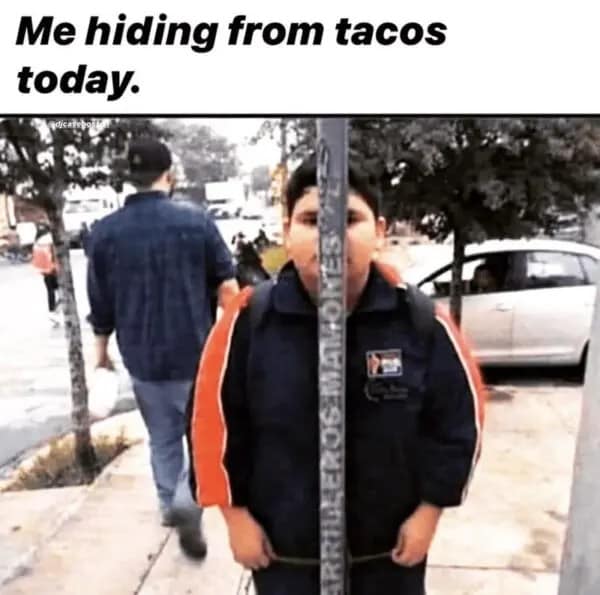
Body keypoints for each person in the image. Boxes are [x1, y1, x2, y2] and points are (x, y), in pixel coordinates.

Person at [188, 157, 486, 594]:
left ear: (379, 232)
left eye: (349, 219)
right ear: (287, 231)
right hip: (284, 557)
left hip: (388, 558)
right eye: (312, 220)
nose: (330, 235)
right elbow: (211, 426)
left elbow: (458, 424)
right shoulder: (249, 323)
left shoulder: (420, 323)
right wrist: (236, 519)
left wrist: (429, 512)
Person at [86, 138, 239, 559]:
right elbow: (228, 288)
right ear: (169, 174)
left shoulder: (104, 232)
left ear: (129, 177)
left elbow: (101, 307)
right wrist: (235, 339)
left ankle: (169, 503)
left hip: (142, 359)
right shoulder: (197, 222)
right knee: (202, 435)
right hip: (196, 355)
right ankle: (189, 499)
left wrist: (101, 355)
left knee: (162, 438)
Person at [31, 224, 60, 326]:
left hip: (45, 271)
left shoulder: (37, 243)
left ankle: (52, 311)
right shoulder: (50, 241)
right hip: (53, 270)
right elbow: (54, 256)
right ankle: (55, 311)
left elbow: (36, 259)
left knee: (51, 291)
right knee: (61, 291)